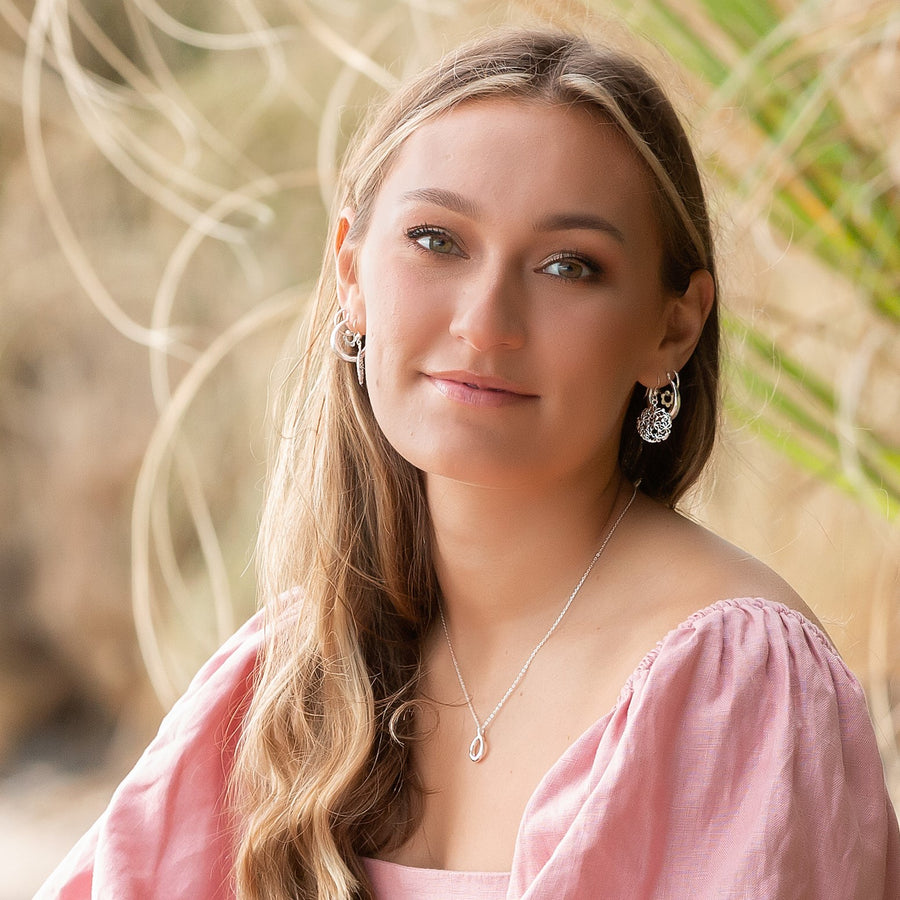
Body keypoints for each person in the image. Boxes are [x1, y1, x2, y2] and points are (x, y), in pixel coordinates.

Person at [37, 27, 899, 900]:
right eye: (438, 241)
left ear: (673, 326)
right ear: (351, 272)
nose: (487, 322)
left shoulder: (735, 685)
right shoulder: (286, 677)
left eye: (570, 265)